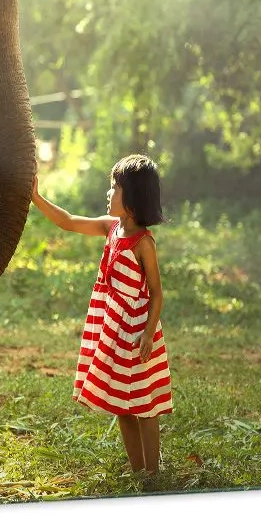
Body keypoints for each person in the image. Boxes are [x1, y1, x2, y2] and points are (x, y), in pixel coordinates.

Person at [30, 154, 170, 474]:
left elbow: (157, 293)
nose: (109, 193)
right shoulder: (111, 228)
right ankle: (138, 472)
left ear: (132, 197)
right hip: (112, 327)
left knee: (145, 406)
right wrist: (36, 197)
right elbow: (67, 220)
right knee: (121, 404)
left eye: (115, 187)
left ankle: (153, 473)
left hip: (136, 332)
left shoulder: (143, 243)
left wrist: (147, 334)